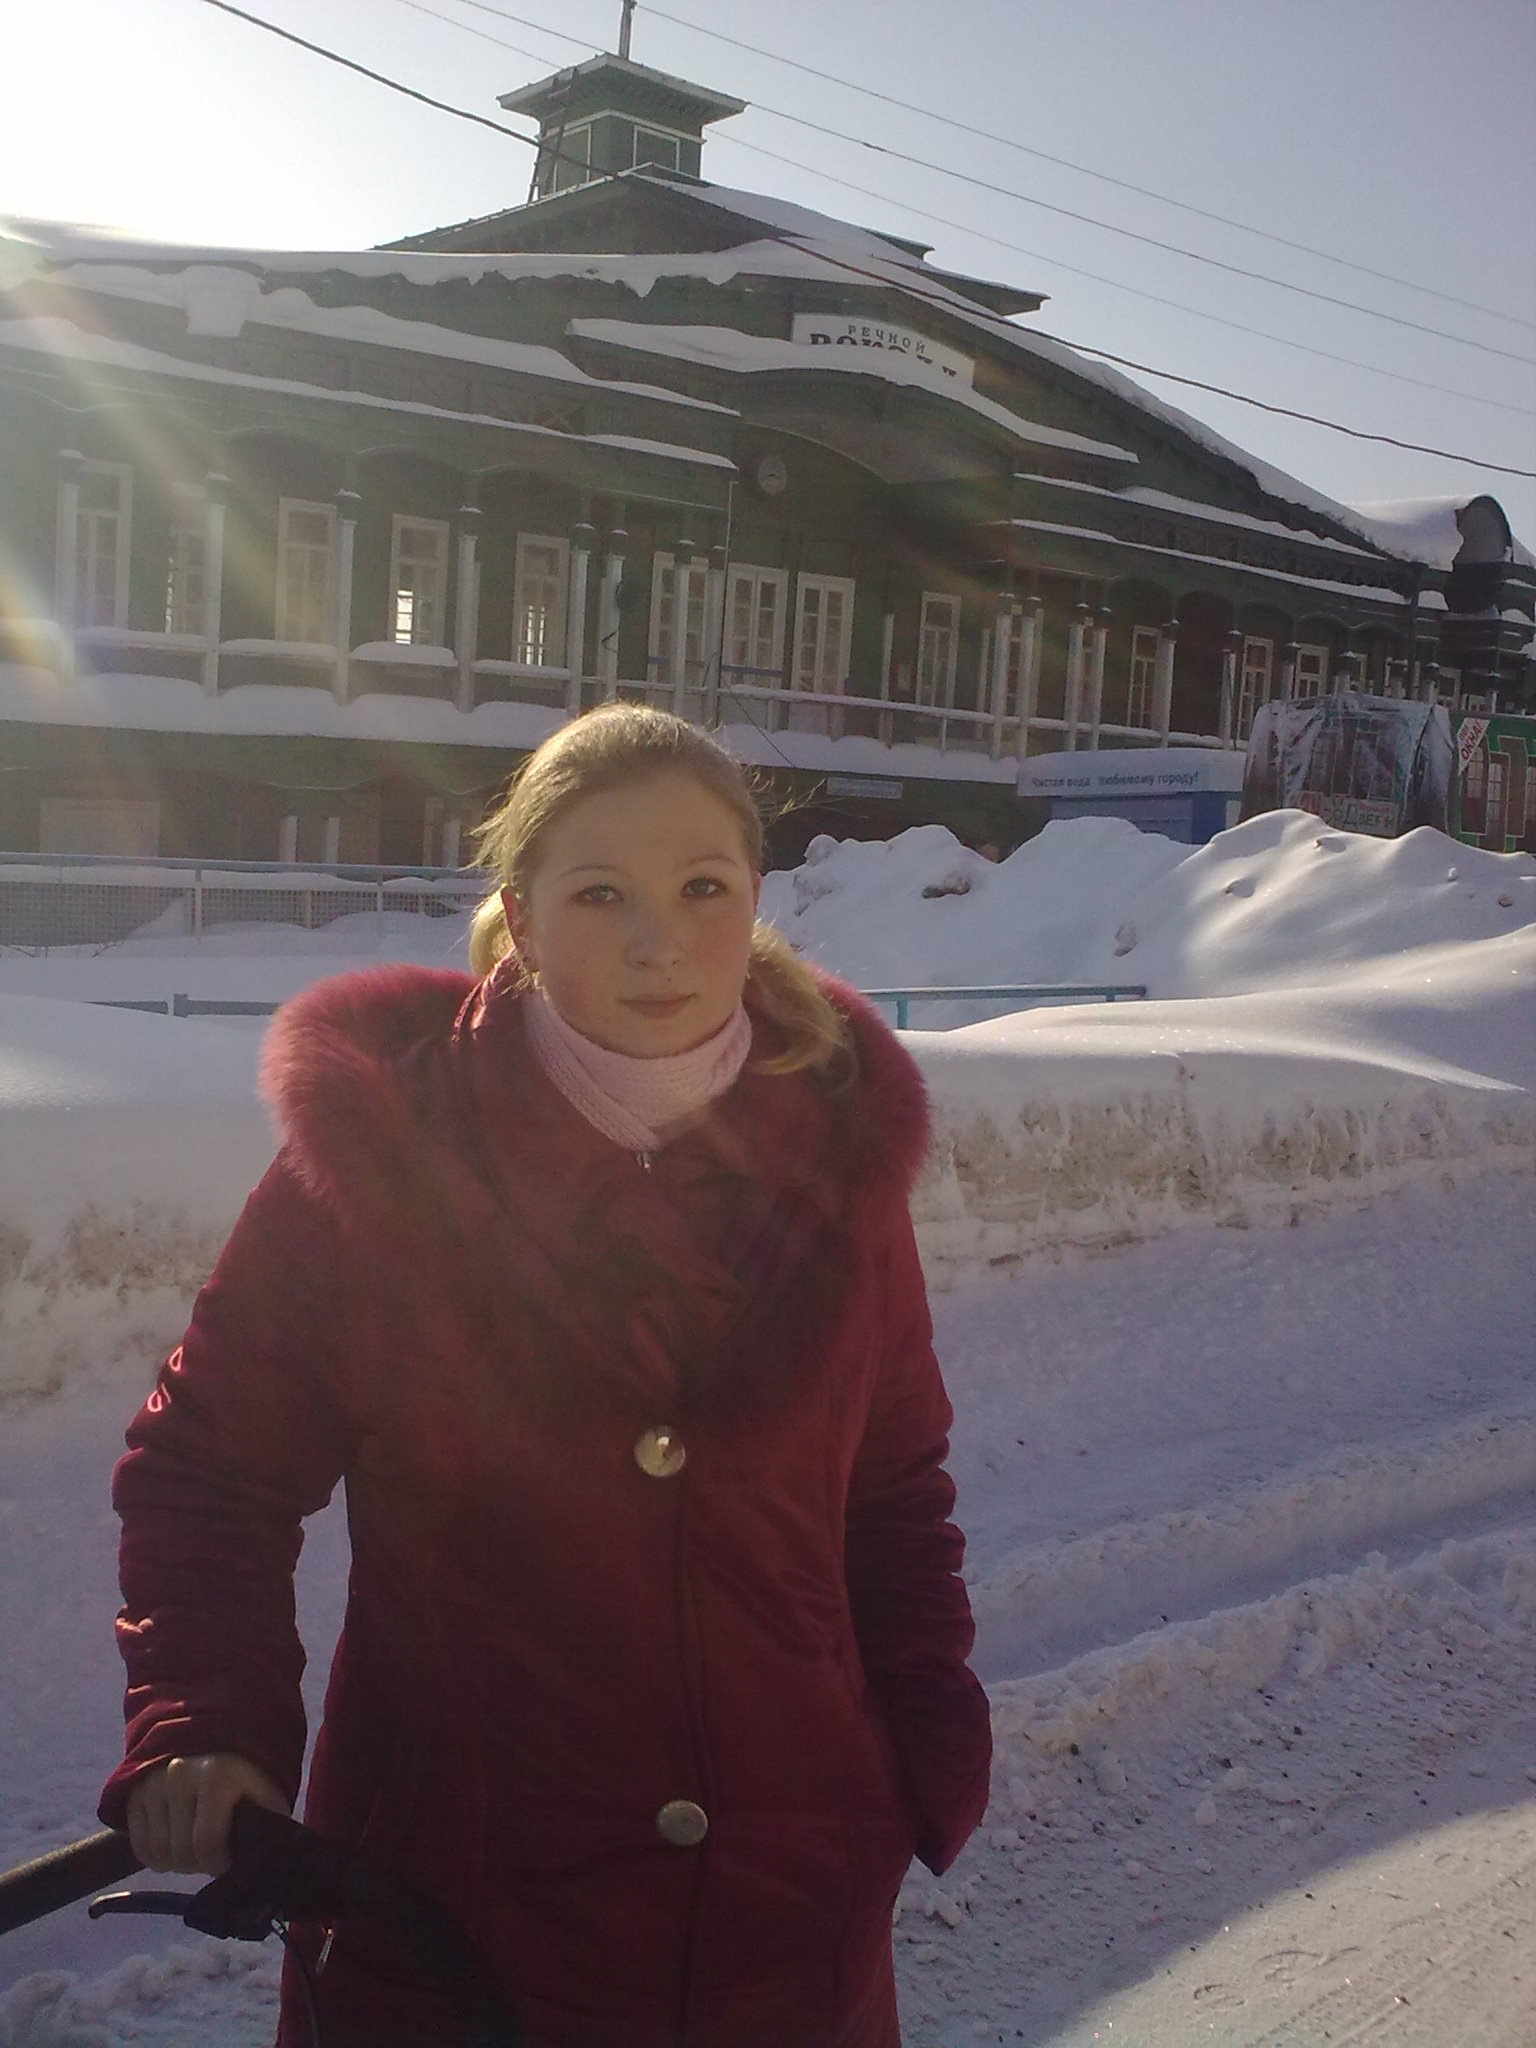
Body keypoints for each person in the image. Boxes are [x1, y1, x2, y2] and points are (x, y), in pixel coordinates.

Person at [100, 704, 992, 2048]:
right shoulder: (383, 1161)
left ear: (756, 897)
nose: (659, 942)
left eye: (703, 888)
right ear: (519, 916)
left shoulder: (836, 1162)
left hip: (790, 1929)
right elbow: (208, 1475)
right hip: (452, 1930)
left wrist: (918, 1750)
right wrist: (210, 1723)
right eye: (600, 894)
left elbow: (893, 1491)